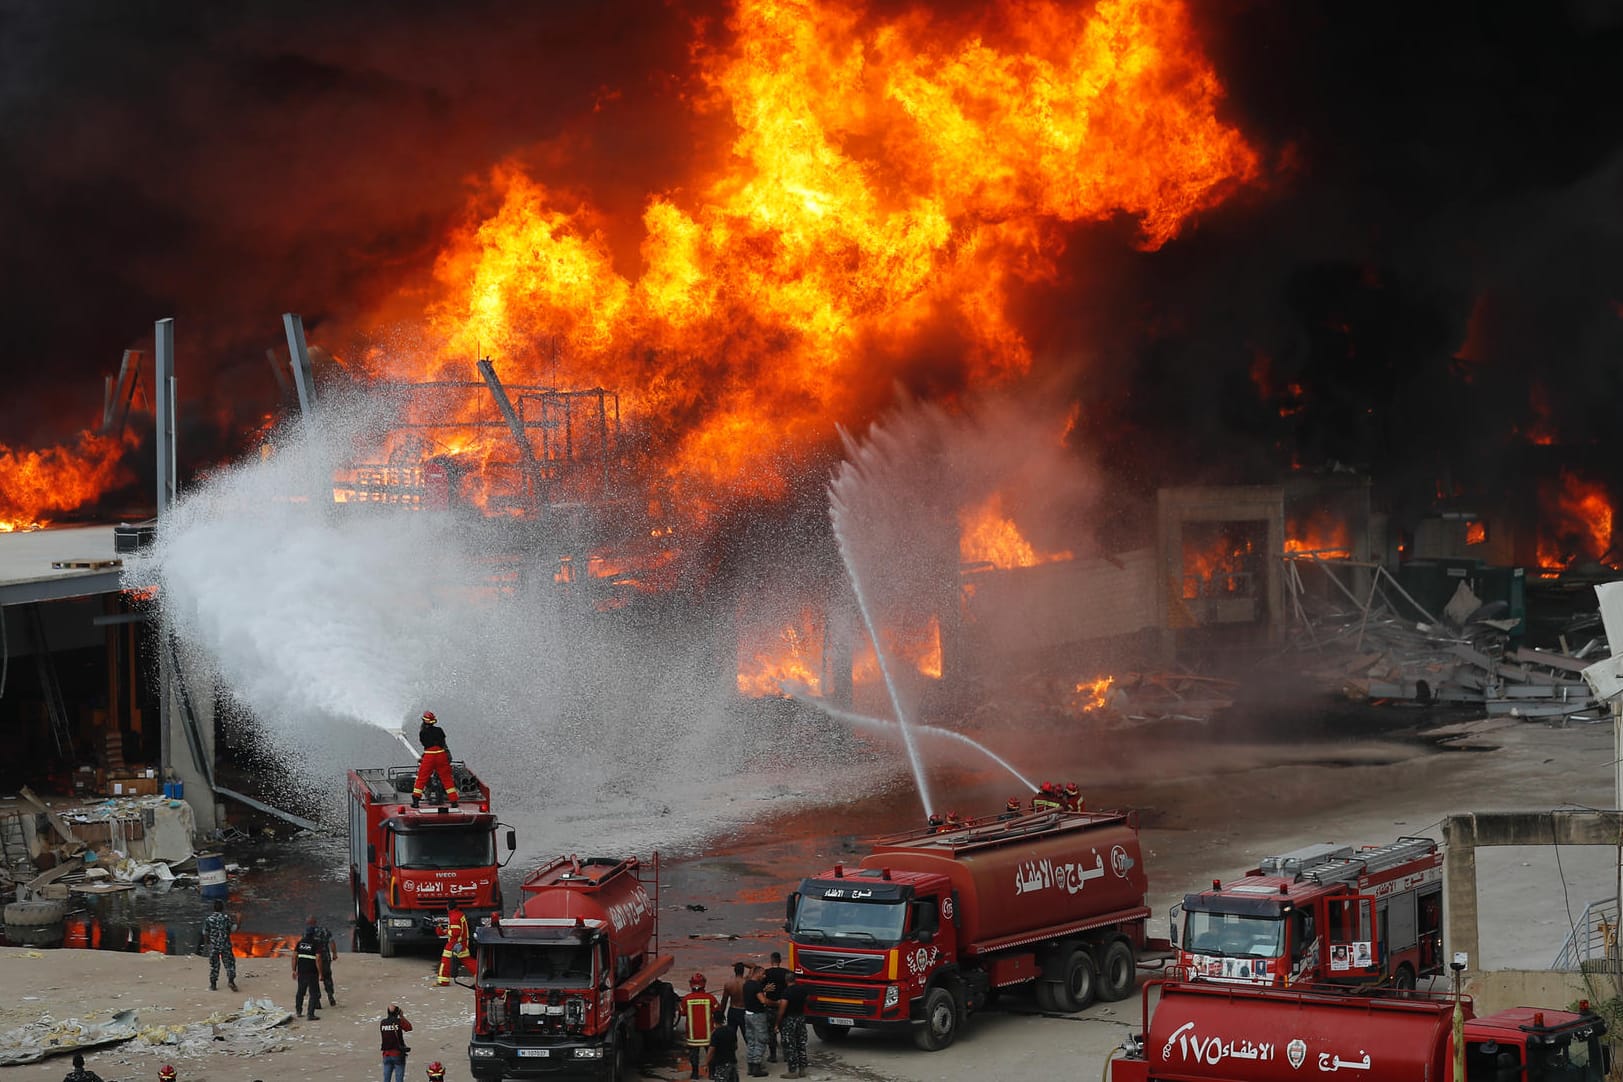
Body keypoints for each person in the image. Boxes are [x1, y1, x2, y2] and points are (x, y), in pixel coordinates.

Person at [412, 710, 459, 808]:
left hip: (429, 755)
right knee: (447, 779)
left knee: (422, 778)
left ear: (424, 721)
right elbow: (442, 743)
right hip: (441, 755)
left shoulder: (423, 733)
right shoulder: (440, 730)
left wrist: (424, 757)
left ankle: (416, 802)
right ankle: (454, 801)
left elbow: (425, 745)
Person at [677, 971, 719, 1080]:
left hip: (693, 1034)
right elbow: (717, 1010)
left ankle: (695, 1074)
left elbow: (682, 1013)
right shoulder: (710, 998)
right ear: (704, 984)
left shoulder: (686, 999)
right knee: (710, 1053)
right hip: (708, 1034)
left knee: (694, 1054)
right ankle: (711, 1073)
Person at [775, 970, 809, 1080]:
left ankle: (792, 1071)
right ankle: (802, 1069)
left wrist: (777, 1023)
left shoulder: (786, 993)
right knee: (801, 1044)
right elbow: (808, 1001)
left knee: (790, 1045)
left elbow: (782, 1010)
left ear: (786, 980)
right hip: (800, 1018)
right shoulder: (803, 990)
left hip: (789, 1020)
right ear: (795, 979)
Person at [742, 963, 772, 1077]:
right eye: (763, 974)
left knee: (751, 1040)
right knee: (761, 1040)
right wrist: (775, 1003)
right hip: (758, 1016)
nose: (764, 976)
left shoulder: (747, 984)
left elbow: (753, 995)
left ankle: (750, 1066)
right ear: (758, 973)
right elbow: (763, 1001)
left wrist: (763, 990)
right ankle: (756, 1066)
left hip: (748, 1015)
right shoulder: (756, 985)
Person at [202, 898, 238, 992]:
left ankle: (213, 985)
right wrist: (239, 920)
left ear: (213, 908)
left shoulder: (209, 919)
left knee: (214, 965)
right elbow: (233, 929)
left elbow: (206, 933)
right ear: (222, 908)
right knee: (229, 964)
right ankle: (231, 981)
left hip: (214, 946)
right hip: (225, 945)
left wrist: (207, 944)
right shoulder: (226, 918)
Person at [292, 918, 323, 1020]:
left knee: (300, 992)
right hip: (312, 972)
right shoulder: (316, 943)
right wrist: (320, 973)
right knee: (313, 993)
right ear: (314, 934)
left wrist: (293, 970)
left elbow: (294, 956)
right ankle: (310, 1014)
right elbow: (318, 959)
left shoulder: (300, 943)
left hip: (301, 971)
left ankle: (298, 1011)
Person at [761, 952, 788, 1064]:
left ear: (771, 960)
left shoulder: (766, 973)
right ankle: (787, 1055)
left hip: (770, 1007)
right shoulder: (786, 973)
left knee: (771, 1032)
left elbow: (760, 988)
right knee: (784, 1032)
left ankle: (773, 1056)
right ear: (780, 960)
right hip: (783, 1006)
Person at [437, 905, 472, 987]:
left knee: (445, 961)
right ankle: (480, 975)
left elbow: (455, 933)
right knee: (467, 961)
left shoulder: (454, 917)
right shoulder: (458, 914)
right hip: (461, 944)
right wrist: (439, 926)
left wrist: (447, 931)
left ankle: (443, 981)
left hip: (455, 944)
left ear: (448, 907)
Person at [309, 914, 337, 1006]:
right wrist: (334, 953)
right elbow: (332, 942)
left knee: (313, 978)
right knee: (327, 976)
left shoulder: (308, 932)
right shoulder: (324, 930)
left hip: (312, 958)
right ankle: (330, 995)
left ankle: (317, 1000)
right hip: (325, 957)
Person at [380, 1003, 413, 1082]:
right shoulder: (398, 1022)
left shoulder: (382, 1022)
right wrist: (401, 1016)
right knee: (399, 1079)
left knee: (386, 1079)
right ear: (397, 1013)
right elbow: (409, 1027)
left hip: (386, 1054)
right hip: (397, 1054)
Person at [721, 961, 747, 1038]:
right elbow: (753, 967)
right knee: (747, 1036)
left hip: (733, 1010)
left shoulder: (729, 984)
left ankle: (731, 1049)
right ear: (743, 971)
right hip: (744, 1011)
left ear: (734, 971)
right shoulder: (747, 983)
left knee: (731, 1036)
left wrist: (721, 1013)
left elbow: (724, 1001)